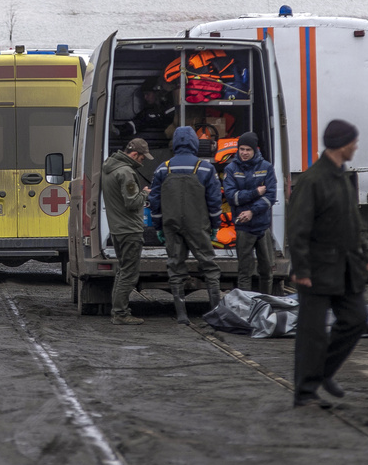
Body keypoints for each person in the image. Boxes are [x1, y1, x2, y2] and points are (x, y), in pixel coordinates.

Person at [288, 120, 368, 409]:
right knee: (312, 332)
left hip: (346, 266)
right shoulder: (313, 180)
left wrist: (365, 257)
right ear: (343, 144)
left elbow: (352, 223)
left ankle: (323, 372)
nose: (356, 146)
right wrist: (301, 268)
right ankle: (305, 393)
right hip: (317, 268)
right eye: (354, 142)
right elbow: (297, 228)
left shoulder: (341, 177)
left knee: (357, 318)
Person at [148, 126, 223, 324]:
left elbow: (154, 201)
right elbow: (214, 201)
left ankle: (181, 314)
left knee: (175, 266)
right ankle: (215, 313)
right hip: (198, 226)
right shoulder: (206, 168)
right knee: (209, 266)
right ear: (194, 143)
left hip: (171, 226)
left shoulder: (163, 168)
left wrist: (158, 227)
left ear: (175, 143)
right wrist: (215, 225)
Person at [102, 138, 153, 326]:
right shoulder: (126, 172)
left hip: (117, 229)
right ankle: (121, 313)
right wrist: (146, 193)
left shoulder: (110, 168)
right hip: (129, 230)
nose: (143, 161)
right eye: (142, 157)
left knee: (123, 271)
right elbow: (132, 202)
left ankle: (118, 311)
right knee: (129, 274)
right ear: (134, 154)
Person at [223, 131, 278, 295]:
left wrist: (252, 211)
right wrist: (256, 192)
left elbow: (271, 197)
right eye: (241, 149)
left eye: (248, 149)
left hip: (262, 228)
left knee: (267, 271)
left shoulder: (266, 167)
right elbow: (232, 198)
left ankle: (265, 305)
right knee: (244, 272)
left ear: (255, 150)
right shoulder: (231, 169)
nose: (244, 153)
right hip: (243, 229)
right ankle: (244, 310)